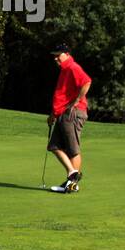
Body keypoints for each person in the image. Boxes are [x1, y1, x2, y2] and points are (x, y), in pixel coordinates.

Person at [47, 44, 91, 193]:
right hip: (62, 114)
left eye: (58, 55)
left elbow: (86, 82)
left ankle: (72, 182)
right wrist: (53, 114)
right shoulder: (64, 70)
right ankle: (72, 177)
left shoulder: (73, 67)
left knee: (72, 149)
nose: (55, 58)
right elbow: (62, 95)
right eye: (54, 55)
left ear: (66, 54)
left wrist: (77, 100)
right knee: (54, 146)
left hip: (72, 113)